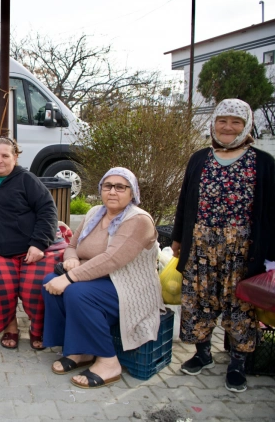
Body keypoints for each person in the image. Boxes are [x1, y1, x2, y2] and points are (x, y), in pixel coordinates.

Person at [171, 98, 275, 393]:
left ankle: (238, 363)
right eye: (222, 121)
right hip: (201, 244)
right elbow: (184, 204)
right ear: (213, 123)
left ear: (247, 126)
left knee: (239, 305)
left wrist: (271, 256)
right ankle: (202, 354)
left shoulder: (263, 162)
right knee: (198, 300)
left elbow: (271, 212)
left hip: (242, 249)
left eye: (236, 122)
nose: (228, 127)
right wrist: (179, 239)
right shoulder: (199, 158)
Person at [42, 167, 163, 389]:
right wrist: (72, 261)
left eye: (120, 187)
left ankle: (109, 362)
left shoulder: (138, 220)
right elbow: (72, 246)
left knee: (77, 292)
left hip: (128, 286)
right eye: (108, 186)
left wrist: (70, 278)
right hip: (96, 279)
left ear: (132, 192)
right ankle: (79, 350)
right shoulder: (95, 213)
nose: (113, 192)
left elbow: (112, 260)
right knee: (50, 281)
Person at [0, 136, 58, 350]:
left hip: (31, 249)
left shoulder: (27, 180)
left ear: (15, 157)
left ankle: (38, 329)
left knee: (38, 285)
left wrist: (39, 244)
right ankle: (10, 325)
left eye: (5, 155)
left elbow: (48, 210)